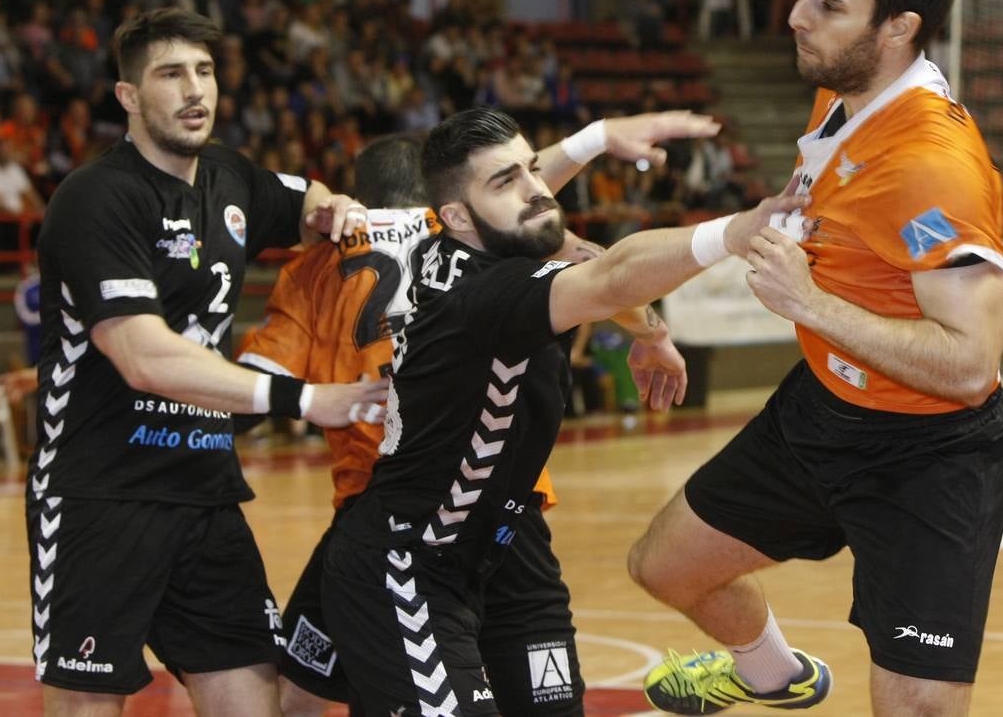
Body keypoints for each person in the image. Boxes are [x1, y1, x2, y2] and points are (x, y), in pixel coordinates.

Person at [627, 0, 1003, 716]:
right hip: (823, 410)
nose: (795, 15)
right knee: (664, 566)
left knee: (917, 707)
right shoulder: (852, 75)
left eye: (825, 6)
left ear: (899, 29)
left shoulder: (931, 168)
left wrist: (810, 304)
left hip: (931, 450)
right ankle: (773, 675)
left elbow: (972, 366)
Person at [319, 107, 808, 715]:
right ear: (457, 217)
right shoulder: (485, 296)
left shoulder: (459, 242)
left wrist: (649, 332)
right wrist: (734, 230)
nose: (535, 189)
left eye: (531, 169)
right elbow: (611, 276)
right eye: (506, 182)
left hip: (490, 552)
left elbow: (552, 231)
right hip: (407, 569)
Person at [239, 119, 699, 715]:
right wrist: (652, 331)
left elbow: (255, 386)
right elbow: (575, 242)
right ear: (443, 204)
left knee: (308, 689)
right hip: (505, 507)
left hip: (384, 505)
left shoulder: (318, 264)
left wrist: (301, 399)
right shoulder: (472, 234)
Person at [24, 7, 388, 716]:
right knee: (87, 704)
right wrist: (308, 400)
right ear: (128, 97)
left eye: (205, 71)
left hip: (206, 493)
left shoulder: (229, 177)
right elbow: (143, 356)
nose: (195, 90)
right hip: (102, 497)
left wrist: (332, 208)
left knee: (252, 701)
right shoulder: (96, 199)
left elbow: (305, 201)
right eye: (170, 74)